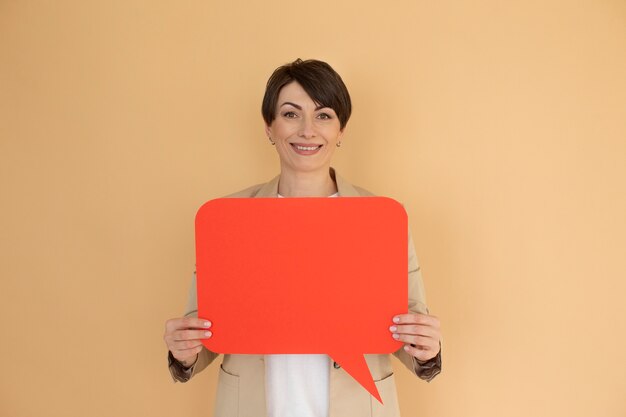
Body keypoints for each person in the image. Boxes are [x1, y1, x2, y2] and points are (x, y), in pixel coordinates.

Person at [163, 58, 442, 417]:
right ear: (269, 126)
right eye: (291, 114)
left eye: (323, 115)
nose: (307, 130)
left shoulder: (380, 217)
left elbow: (405, 327)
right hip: (252, 405)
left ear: (341, 130)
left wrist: (427, 349)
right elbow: (206, 330)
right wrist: (183, 352)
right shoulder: (230, 217)